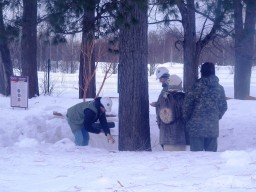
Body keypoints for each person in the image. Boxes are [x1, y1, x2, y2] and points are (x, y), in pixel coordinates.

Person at [183, 62, 227, 152]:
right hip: (212, 128)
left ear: (201, 72)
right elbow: (223, 106)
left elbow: (187, 106)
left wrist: (188, 119)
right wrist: (216, 116)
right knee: (210, 159)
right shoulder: (219, 88)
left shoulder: (195, 87)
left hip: (196, 128)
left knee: (196, 158)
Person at [150, 67, 186, 151]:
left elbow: (169, 107)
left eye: (161, 78)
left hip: (168, 129)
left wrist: (158, 105)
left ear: (165, 77)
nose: (160, 81)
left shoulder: (167, 90)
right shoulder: (170, 90)